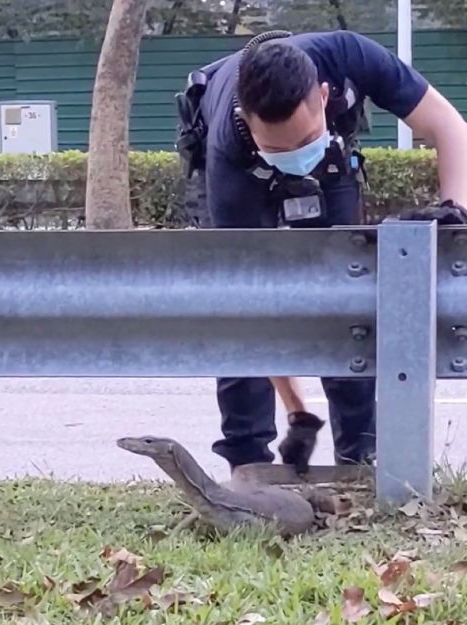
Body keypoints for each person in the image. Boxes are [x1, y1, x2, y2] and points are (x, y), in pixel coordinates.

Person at [173, 29, 467, 473]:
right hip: (246, 173)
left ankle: (360, 459)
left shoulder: (350, 56)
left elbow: (450, 127)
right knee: (239, 310)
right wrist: (298, 411)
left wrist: (455, 211)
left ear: (325, 96)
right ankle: (248, 463)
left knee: (350, 295)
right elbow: (250, 304)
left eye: (303, 138)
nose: (294, 155)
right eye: (278, 147)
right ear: (248, 120)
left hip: (334, 163)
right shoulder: (228, 147)